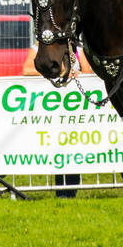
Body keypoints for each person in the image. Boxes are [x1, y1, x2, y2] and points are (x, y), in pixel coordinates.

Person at [22, 42, 92, 197]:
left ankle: (71, 191)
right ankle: (61, 191)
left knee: (73, 149)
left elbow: (88, 72)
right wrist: (58, 73)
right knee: (59, 147)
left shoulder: (78, 50)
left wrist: (77, 74)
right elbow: (27, 70)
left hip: (75, 111)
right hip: (54, 110)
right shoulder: (39, 48)